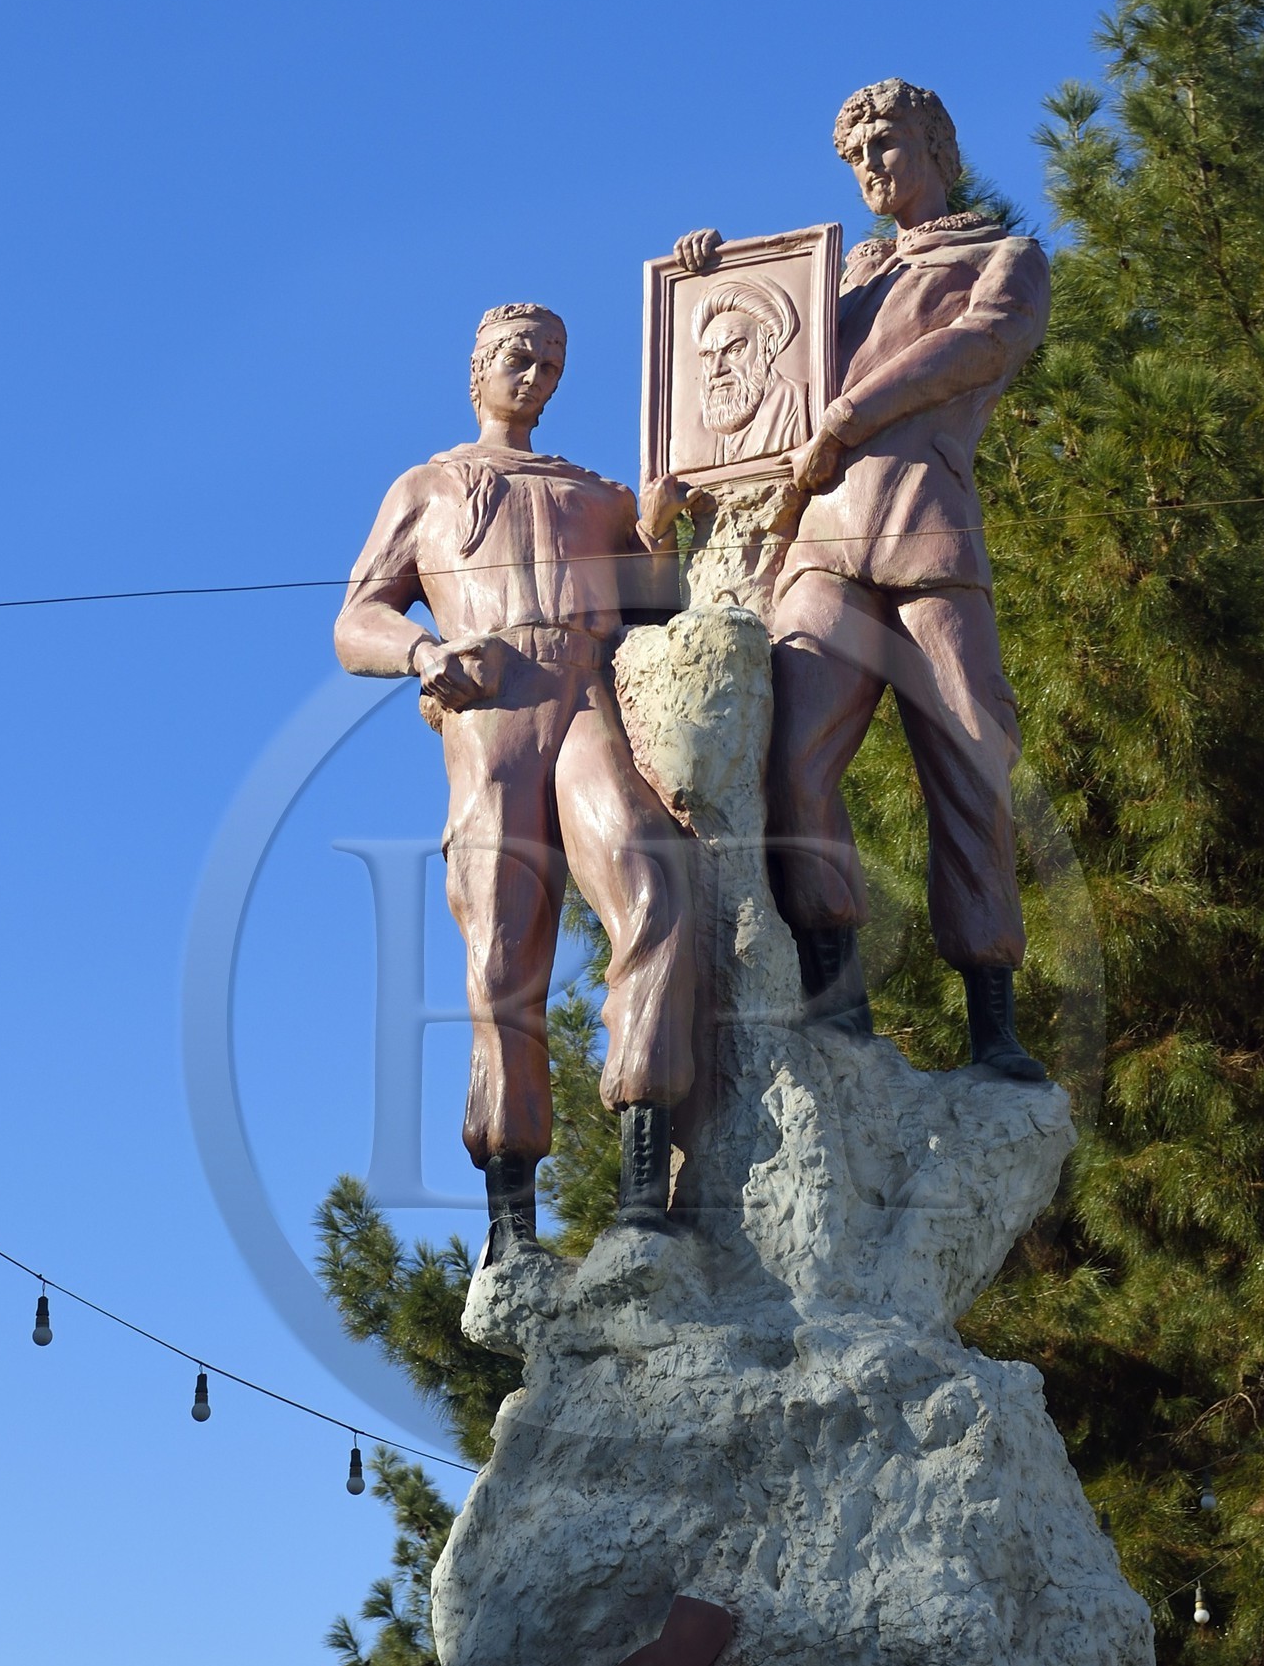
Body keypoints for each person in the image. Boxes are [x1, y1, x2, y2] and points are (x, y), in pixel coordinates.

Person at [663, 78, 1050, 1080]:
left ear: (936, 145)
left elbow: (979, 345)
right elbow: (756, 382)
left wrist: (846, 417)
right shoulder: (836, 282)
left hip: (927, 531)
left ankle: (993, 1017)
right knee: (793, 762)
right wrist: (716, 285)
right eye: (856, 156)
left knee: (970, 760)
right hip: (821, 543)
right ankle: (838, 1001)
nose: (872, 166)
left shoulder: (1000, 257)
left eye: (886, 143)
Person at [333, 303, 694, 1260]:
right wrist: (423, 653)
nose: (537, 377)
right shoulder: (428, 486)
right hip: (491, 711)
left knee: (650, 885)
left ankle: (644, 1183)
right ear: (480, 368)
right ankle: (510, 1223)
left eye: (553, 365)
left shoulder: (598, 495)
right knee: (501, 953)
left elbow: (659, 610)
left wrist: (658, 535)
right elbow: (355, 621)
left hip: (586, 696)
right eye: (521, 359)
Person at [691, 277, 811, 466]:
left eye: (734, 350)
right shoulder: (696, 433)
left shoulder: (799, 407)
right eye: (708, 356)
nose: (716, 370)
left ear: (769, 347)